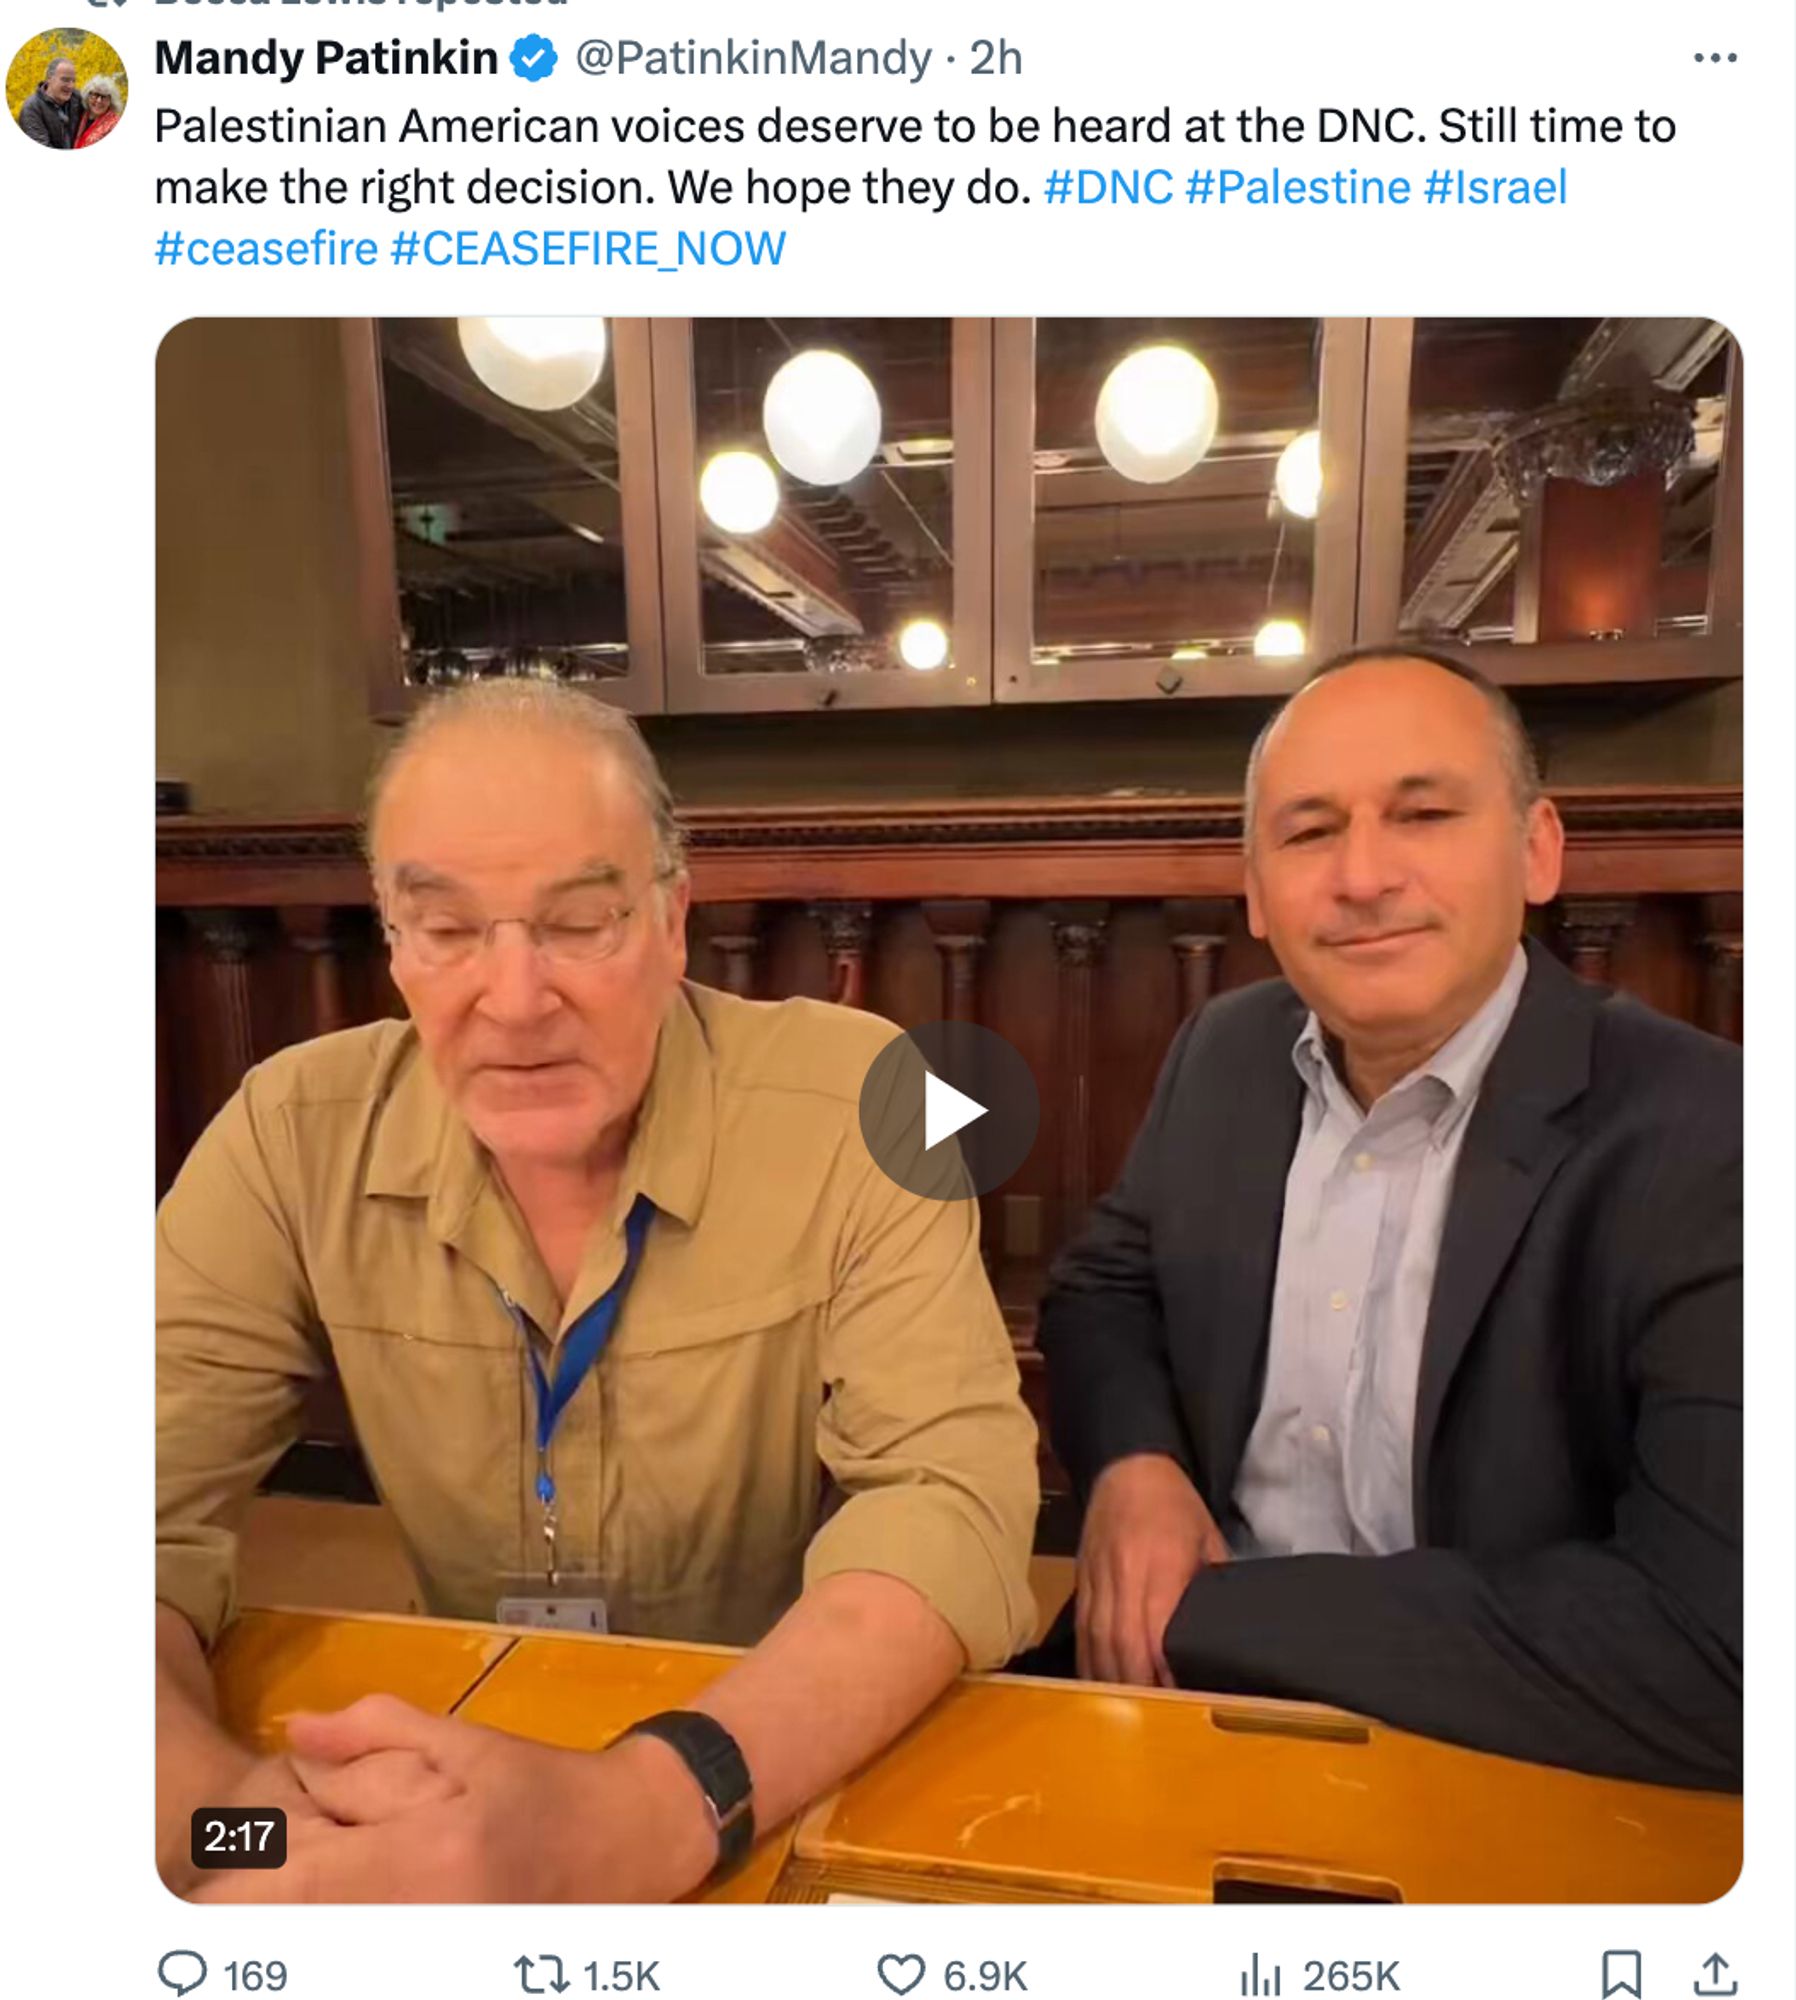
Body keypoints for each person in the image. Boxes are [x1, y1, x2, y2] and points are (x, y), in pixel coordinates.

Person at [157, 679, 1040, 1900]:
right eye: (449, 930)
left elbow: (950, 1502)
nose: (513, 1003)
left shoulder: (865, 1103)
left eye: (578, 923)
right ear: (393, 941)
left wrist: (650, 1806)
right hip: (447, 1751)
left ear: (673, 920)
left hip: (770, 1753)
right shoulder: (287, 1129)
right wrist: (239, 1830)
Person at [1035, 645, 1740, 1792]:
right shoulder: (1223, 1052)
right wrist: (1134, 1466)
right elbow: (1104, 1285)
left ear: (1536, 848)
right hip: (1167, 1725)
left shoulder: (1715, 1132)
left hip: (1509, 1768)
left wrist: (1215, 1615)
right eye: (1309, 832)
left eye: (1422, 813)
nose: (1361, 875)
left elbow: (1715, 1649)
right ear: (1255, 888)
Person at [17, 57, 83, 148]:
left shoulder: (77, 99)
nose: (71, 86)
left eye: (73, 81)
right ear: (49, 78)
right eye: (65, 80)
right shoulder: (32, 108)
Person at [73, 74, 122, 148]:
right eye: (95, 95)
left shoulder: (115, 124)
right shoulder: (80, 114)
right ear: (88, 96)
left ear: (111, 101)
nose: (99, 101)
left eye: (104, 97)